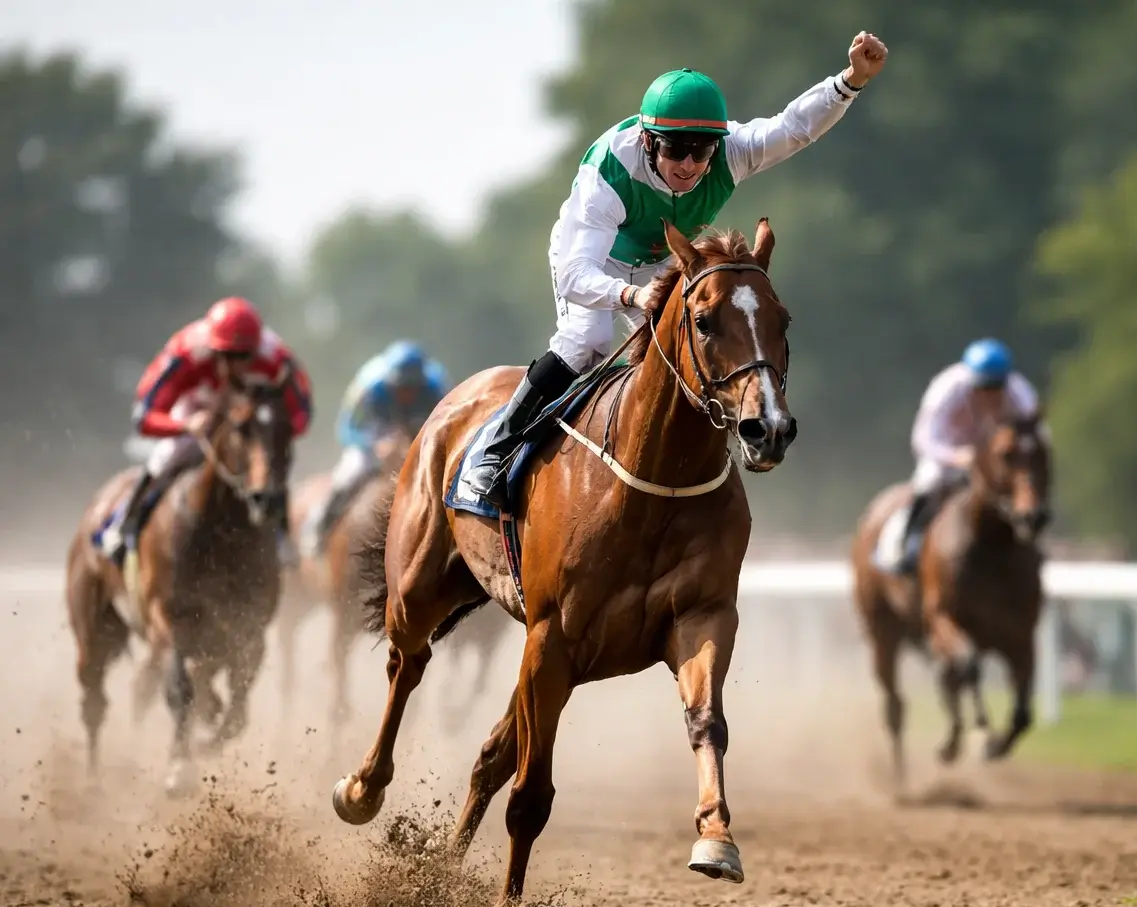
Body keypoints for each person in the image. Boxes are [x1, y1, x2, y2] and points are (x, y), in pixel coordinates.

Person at [462, 31, 890, 508]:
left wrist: (851, 80)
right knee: (589, 340)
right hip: (591, 260)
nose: (688, 164)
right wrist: (630, 297)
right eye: (674, 149)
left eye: (701, 151)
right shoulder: (610, 170)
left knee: (690, 351)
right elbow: (574, 274)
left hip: (665, 260)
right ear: (647, 141)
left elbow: (793, 128)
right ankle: (496, 448)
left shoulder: (732, 151)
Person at [100, 297, 313, 567]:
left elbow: (302, 414)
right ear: (212, 348)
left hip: (245, 412)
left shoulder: (276, 357)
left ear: (257, 348)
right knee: (168, 456)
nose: (237, 364)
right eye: (227, 355)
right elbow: (143, 416)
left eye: (245, 355)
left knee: (269, 460)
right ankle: (123, 524)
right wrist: (185, 426)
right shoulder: (184, 352)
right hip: (194, 407)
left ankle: (281, 536)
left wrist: (273, 433)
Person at [891, 338, 1045, 574]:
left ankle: (1030, 544)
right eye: (983, 389)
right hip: (950, 454)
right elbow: (922, 439)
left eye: (996, 389)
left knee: (1024, 486)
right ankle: (908, 543)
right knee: (928, 481)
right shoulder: (946, 389)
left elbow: (1039, 435)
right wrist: (957, 457)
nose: (990, 397)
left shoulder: (1020, 392)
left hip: (997, 458)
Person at [301, 339, 451, 559]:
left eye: (413, 389)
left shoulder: (437, 385)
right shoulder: (369, 385)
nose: (407, 394)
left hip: (418, 438)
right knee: (349, 475)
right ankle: (319, 528)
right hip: (372, 440)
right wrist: (373, 445)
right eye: (401, 388)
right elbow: (347, 428)